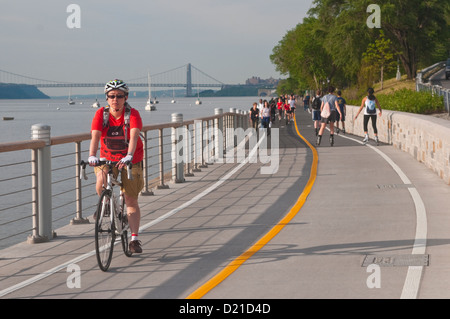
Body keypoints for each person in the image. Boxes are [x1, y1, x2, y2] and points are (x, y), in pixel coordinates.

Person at [89, 79, 144, 254]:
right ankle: (106, 204)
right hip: (108, 158)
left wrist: (129, 155)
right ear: (106, 98)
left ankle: (134, 239)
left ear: (125, 97)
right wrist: (92, 155)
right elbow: (95, 137)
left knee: (130, 200)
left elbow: (134, 136)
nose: (115, 99)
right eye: (111, 96)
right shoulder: (101, 114)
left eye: (119, 96)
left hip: (131, 158)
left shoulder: (132, 114)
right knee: (101, 178)